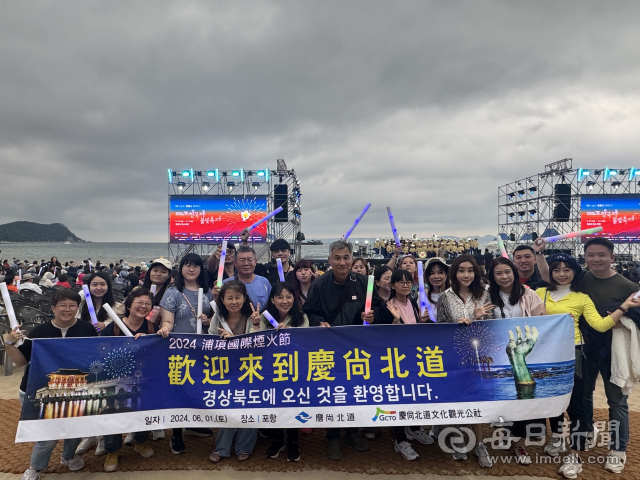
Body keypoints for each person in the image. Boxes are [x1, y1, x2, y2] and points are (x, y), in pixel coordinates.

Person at [535, 237, 638, 474]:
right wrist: (539, 254)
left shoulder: (627, 287)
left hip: (614, 350)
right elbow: (551, 274)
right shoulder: (581, 279)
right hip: (586, 351)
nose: (596, 259)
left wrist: (621, 316)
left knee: (617, 400)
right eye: (591, 255)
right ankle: (586, 434)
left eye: (602, 254)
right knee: (584, 398)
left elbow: (635, 316)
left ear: (613, 257)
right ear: (585, 258)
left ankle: (617, 449)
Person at [3, 289, 97, 480]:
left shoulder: (86, 329)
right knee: (47, 434)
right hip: (38, 390)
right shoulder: (39, 332)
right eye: (62, 305)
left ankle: (69, 456)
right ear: (53, 308)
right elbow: (21, 362)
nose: (67, 309)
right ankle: (35, 467)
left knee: (75, 427)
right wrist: (9, 344)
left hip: (76, 390)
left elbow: (94, 357)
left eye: (72, 305)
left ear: (78, 308)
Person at [302, 240, 374, 460]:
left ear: (352, 258)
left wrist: (373, 316)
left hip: (357, 350)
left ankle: (353, 431)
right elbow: (309, 312)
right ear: (329, 260)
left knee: (355, 390)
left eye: (346, 257)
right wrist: (318, 322)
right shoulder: (319, 285)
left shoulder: (365, 282)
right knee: (333, 392)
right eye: (337, 258)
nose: (342, 262)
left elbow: (379, 308)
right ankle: (333, 436)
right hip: (329, 348)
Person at [487, 257, 546, 464]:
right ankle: (506, 431)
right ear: (492, 277)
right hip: (496, 357)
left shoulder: (529, 294)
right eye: (498, 273)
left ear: (514, 272)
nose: (504, 277)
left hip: (525, 354)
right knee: (505, 398)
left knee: (525, 397)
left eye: (507, 272)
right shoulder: (487, 297)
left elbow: (543, 320)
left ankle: (519, 444)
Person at [436, 254, 494, 467]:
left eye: (470, 270)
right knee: (455, 398)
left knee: (477, 399)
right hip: (452, 355)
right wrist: (454, 323)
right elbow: (440, 326)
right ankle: (459, 439)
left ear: (476, 273)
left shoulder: (485, 295)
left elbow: (493, 324)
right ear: (454, 273)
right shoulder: (445, 297)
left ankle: (479, 443)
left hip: (479, 356)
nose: (466, 275)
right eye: (461, 270)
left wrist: (479, 317)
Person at [158, 252, 213, 454]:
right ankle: (177, 433)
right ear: (181, 268)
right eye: (187, 265)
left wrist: (207, 320)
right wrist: (165, 328)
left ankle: (193, 424)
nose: (191, 269)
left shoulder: (207, 291)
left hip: (202, 349)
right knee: (180, 389)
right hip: (180, 350)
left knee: (198, 386)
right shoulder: (173, 292)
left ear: (201, 269)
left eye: (196, 265)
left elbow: (213, 318)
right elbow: (168, 321)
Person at [100, 289, 156, 471]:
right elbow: (100, 351)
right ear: (129, 305)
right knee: (113, 412)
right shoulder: (114, 327)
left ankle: (140, 441)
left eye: (147, 303)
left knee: (143, 409)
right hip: (116, 379)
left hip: (142, 380)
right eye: (139, 302)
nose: (143, 306)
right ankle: (113, 450)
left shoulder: (150, 327)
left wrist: (154, 338)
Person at [205, 280, 261, 463]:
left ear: (244, 298)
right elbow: (210, 342)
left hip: (251, 370)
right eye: (229, 298)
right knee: (228, 407)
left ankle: (244, 447)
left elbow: (261, 344)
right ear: (222, 299)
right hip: (226, 371)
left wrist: (255, 326)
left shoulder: (252, 316)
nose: (234, 301)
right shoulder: (218, 317)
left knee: (250, 407)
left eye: (238, 297)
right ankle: (222, 448)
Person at [253, 283, 309, 462]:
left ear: (294, 298)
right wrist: (255, 326)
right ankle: (277, 439)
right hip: (271, 371)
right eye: (280, 297)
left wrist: (290, 333)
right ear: (272, 300)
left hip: (294, 370)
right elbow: (256, 342)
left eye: (289, 296)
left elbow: (306, 344)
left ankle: (293, 441)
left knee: (291, 404)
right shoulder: (265, 317)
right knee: (273, 404)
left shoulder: (302, 318)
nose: (285, 301)